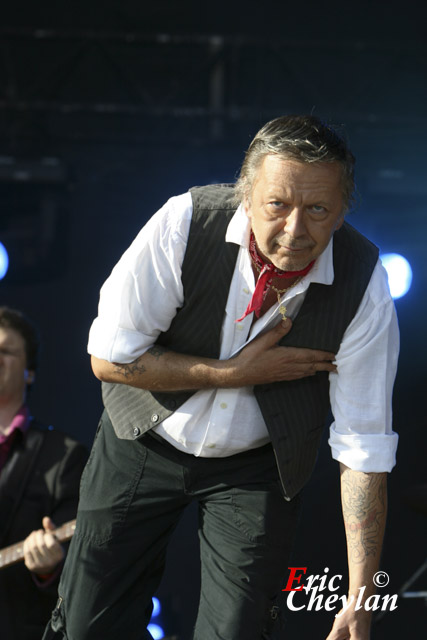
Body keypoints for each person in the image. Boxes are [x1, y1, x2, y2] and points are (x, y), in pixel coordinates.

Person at [43, 115, 399, 640]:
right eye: (278, 204)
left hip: (255, 468)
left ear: (342, 212)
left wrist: (360, 596)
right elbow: (108, 358)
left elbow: (363, 447)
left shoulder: (364, 283)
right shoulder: (183, 223)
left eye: (318, 209)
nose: (296, 231)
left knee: (237, 631)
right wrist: (232, 373)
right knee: (87, 622)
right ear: (247, 195)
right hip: (144, 438)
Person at [0, 307, 88, 640]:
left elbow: (83, 566)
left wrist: (49, 570)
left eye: (6, 351)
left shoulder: (64, 454)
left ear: (30, 372)